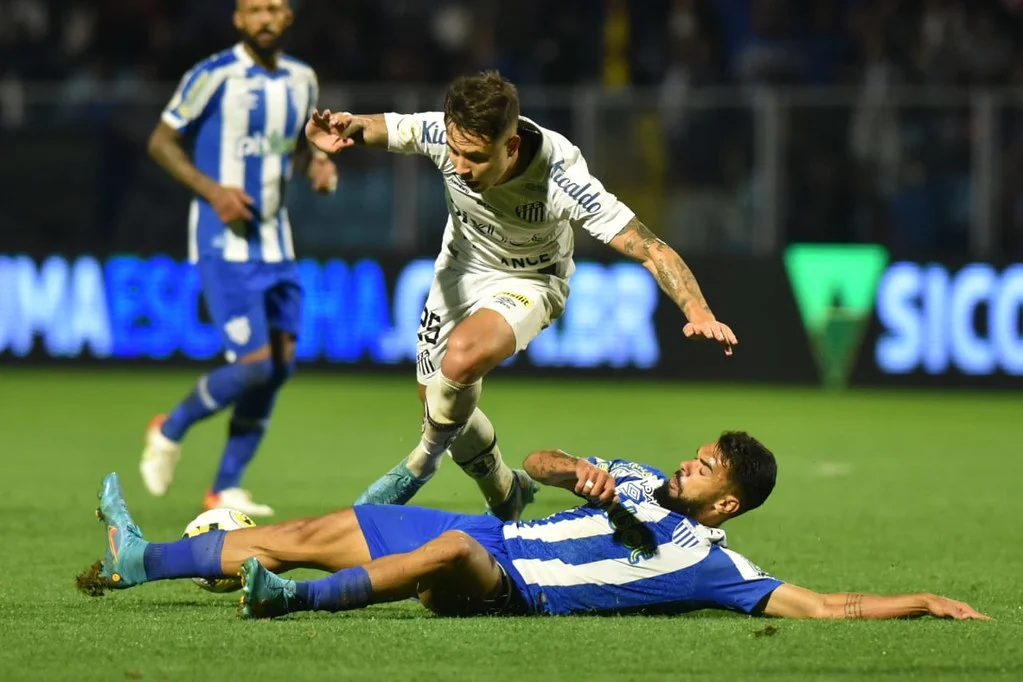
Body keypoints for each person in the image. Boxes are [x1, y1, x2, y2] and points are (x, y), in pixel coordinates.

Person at [302, 70, 739, 521]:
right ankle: (506, 491)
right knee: (441, 399)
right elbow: (388, 127)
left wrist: (698, 310)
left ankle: (422, 461)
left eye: (475, 157)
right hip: (459, 269)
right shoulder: (446, 134)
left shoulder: (560, 175)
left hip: (531, 281)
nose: (460, 167)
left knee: (461, 359)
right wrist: (346, 126)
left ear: (510, 147)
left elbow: (647, 246)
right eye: (454, 152)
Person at [80, 432, 987, 621]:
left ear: (726, 505)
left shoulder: (712, 563)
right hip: (501, 539)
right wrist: (576, 475)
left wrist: (920, 601)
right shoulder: (631, 478)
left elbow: (825, 606)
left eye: (706, 468)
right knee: (337, 521)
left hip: (512, 590)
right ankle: (141, 556)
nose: (689, 464)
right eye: (700, 453)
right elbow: (546, 462)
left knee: (452, 549)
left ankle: (287, 603)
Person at [140, 0, 338, 517]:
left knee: (280, 366)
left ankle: (224, 486)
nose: (265, 19)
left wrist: (317, 163)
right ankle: (170, 427)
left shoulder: (303, 80)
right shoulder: (212, 75)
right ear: (238, 19)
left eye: (274, 9)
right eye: (255, 10)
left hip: (278, 242)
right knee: (254, 366)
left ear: (289, 16)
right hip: (223, 241)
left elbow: (298, 143)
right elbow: (161, 142)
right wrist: (213, 191)